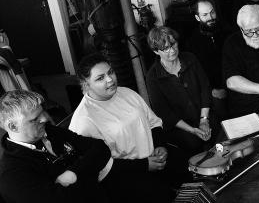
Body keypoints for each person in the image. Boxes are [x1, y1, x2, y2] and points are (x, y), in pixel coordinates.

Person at [69, 53, 188, 203]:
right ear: (86, 85)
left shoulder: (126, 92)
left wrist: (160, 145)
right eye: (100, 78)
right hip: (124, 177)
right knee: (162, 195)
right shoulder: (84, 121)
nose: (110, 79)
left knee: (190, 171)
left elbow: (153, 122)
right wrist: (144, 165)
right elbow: (101, 166)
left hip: (154, 159)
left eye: (110, 72)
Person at [0, 90, 110, 203]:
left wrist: (73, 174)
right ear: (13, 126)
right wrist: (91, 169)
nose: (45, 119)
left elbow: (101, 148)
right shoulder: (12, 175)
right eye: (35, 119)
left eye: (42, 112)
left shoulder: (48, 130)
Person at [146, 26, 214, 155]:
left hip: (203, 114)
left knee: (219, 133)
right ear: (156, 51)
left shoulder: (190, 58)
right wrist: (193, 130)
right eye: (165, 49)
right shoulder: (152, 77)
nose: (172, 50)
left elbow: (205, 88)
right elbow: (164, 113)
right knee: (192, 144)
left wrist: (204, 120)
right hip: (179, 126)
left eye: (173, 44)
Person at [185, 0, 233, 119]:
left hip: (234, 82)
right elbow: (198, 73)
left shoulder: (228, 31)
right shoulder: (192, 42)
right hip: (212, 89)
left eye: (212, 13)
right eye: (205, 15)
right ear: (197, 17)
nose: (211, 17)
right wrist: (214, 89)